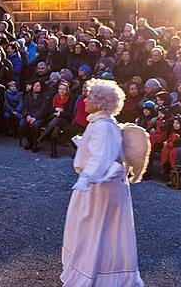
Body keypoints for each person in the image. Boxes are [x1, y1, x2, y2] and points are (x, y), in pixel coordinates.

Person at [61, 79, 144, 287]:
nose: (85, 100)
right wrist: (83, 144)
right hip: (101, 185)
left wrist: (87, 177)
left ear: (99, 102)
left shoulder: (103, 126)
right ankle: (96, 273)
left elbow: (102, 157)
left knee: (97, 231)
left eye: (89, 97)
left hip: (100, 188)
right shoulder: (100, 124)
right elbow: (103, 151)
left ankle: (95, 275)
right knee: (99, 231)